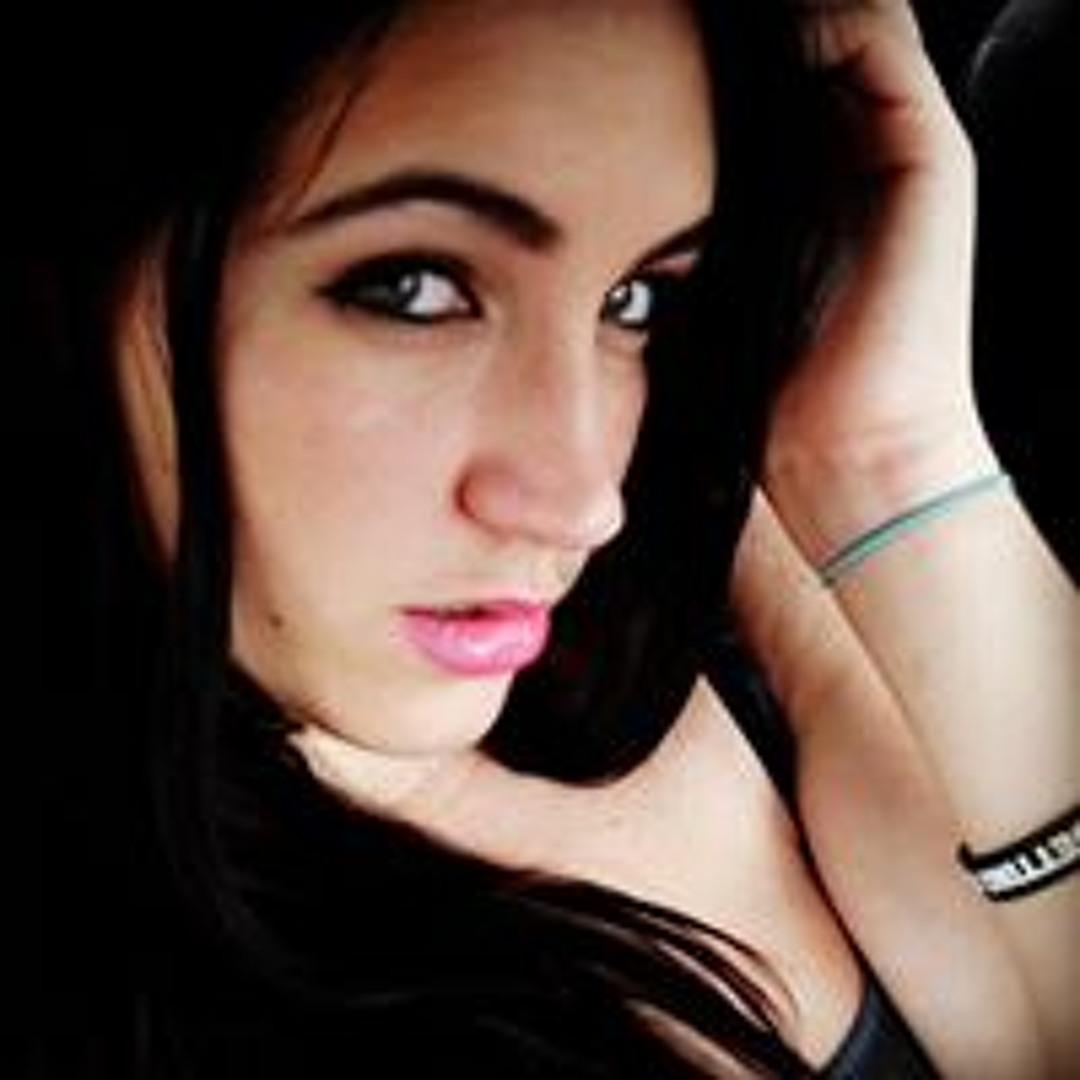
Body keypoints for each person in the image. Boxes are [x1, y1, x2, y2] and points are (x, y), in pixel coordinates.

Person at [9, 0, 1077, 1076]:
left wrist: (891, 458)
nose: (583, 504)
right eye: (415, 289)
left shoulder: (677, 576)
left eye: (634, 298)